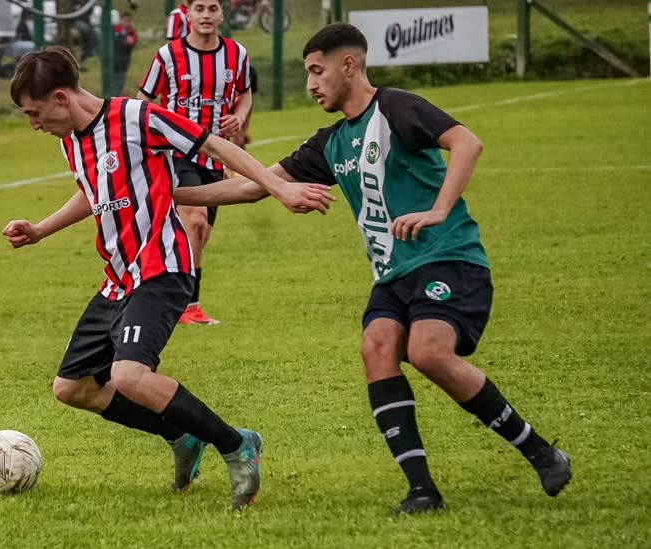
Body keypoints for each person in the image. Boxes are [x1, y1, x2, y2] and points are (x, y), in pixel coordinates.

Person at [174, 22, 572, 514]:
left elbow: (467, 142)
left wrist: (439, 209)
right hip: (392, 275)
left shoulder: (397, 107)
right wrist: (168, 194)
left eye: (318, 72)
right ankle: (422, 491)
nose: (311, 84)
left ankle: (540, 451)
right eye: (307, 75)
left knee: (427, 352)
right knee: (376, 348)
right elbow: (253, 186)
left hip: (448, 256)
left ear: (349, 65)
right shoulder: (331, 142)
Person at [2, 46, 331, 508]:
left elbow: (216, 146)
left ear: (61, 98)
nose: (34, 124)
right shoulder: (70, 139)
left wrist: (279, 188)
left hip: (162, 267)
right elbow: (91, 190)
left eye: (34, 113)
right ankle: (182, 434)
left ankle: (237, 445)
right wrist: (40, 229)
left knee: (130, 375)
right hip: (119, 277)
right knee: (72, 388)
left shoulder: (139, 118)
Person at [139, 0, 252, 325]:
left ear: (221, 14)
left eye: (212, 8)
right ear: (186, 13)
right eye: (199, 8)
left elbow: (244, 93)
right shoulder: (167, 56)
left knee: (199, 236)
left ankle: (167, 294)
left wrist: (238, 117)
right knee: (195, 222)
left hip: (216, 158)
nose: (206, 15)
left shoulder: (236, 54)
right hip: (176, 155)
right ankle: (188, 307)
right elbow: (143, 101)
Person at [109, 12, 137, 97]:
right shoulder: (114, 29)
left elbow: (132, 42)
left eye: (129, 21)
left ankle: (117, 95)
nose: (127, 22)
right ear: (120, 20)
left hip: (125, 59)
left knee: (121, 77)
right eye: (125, 20)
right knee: (113, 77)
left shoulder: (131, 32)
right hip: (114, 58)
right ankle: (111, 94)